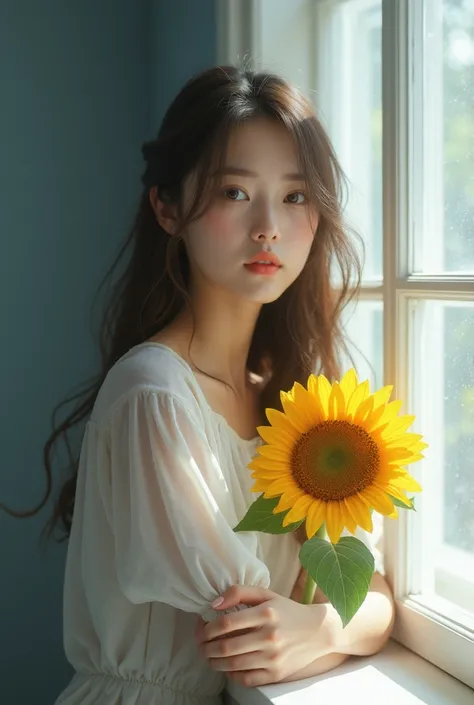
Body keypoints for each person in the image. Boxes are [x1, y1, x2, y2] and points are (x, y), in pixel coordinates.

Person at [33, 65, 395, 703]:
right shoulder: (156, 394)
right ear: (168, 208)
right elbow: (249, 631)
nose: (268, 227)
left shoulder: (294, 403)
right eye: (234, 192)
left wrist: (318, 628)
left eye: (294, 195)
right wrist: (329, 626)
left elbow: (375, 595)